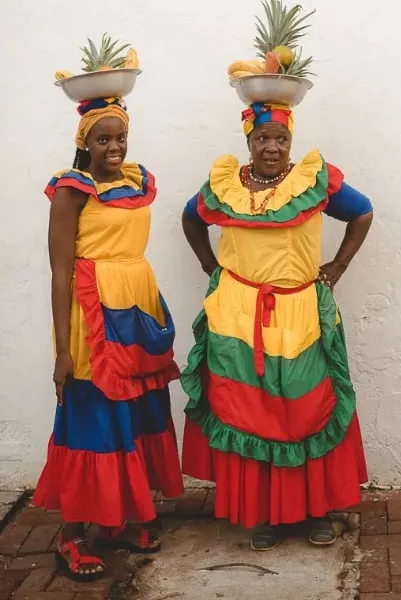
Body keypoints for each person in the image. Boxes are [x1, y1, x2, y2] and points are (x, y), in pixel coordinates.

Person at [180, 101, 373, 551]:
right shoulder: (226, 186)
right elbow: (191, 218)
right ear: (248, 142)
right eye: (262, 138)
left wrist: (339, 266)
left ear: (291, 142)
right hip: (237, 316)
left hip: (299, 311)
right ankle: (267, 511)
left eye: (280, 139)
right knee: (254, 412)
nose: (272, 147)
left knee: (306, 407)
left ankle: (314, 510)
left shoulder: (313, 182)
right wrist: (211, 265)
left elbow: (362, 212)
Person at [33, 97, 184, 580]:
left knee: (134, 415)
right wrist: (62, 350)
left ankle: (117, 522)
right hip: (92, 319)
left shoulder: (135, 182)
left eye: (120, 137)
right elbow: (60, 273)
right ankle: (71, 535)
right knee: (94, 418)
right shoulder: (71, 191)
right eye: (103, 139)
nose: (114, 146)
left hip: (136, 306)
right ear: (85, 143)